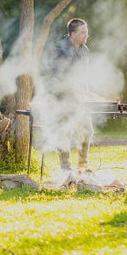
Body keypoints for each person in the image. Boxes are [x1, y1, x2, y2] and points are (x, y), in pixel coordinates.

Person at [44, 18, 92, 172]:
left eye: (86, 31)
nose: (87, 34)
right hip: (60, 97)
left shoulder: (85, 50)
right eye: (83, 32)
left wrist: (88, 91)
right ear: (72, 34)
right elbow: (58, 76)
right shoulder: (61, 48)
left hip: (79, 99)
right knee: (64, 132)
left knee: (87, 130)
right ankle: (65, 168)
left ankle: (82, 166)